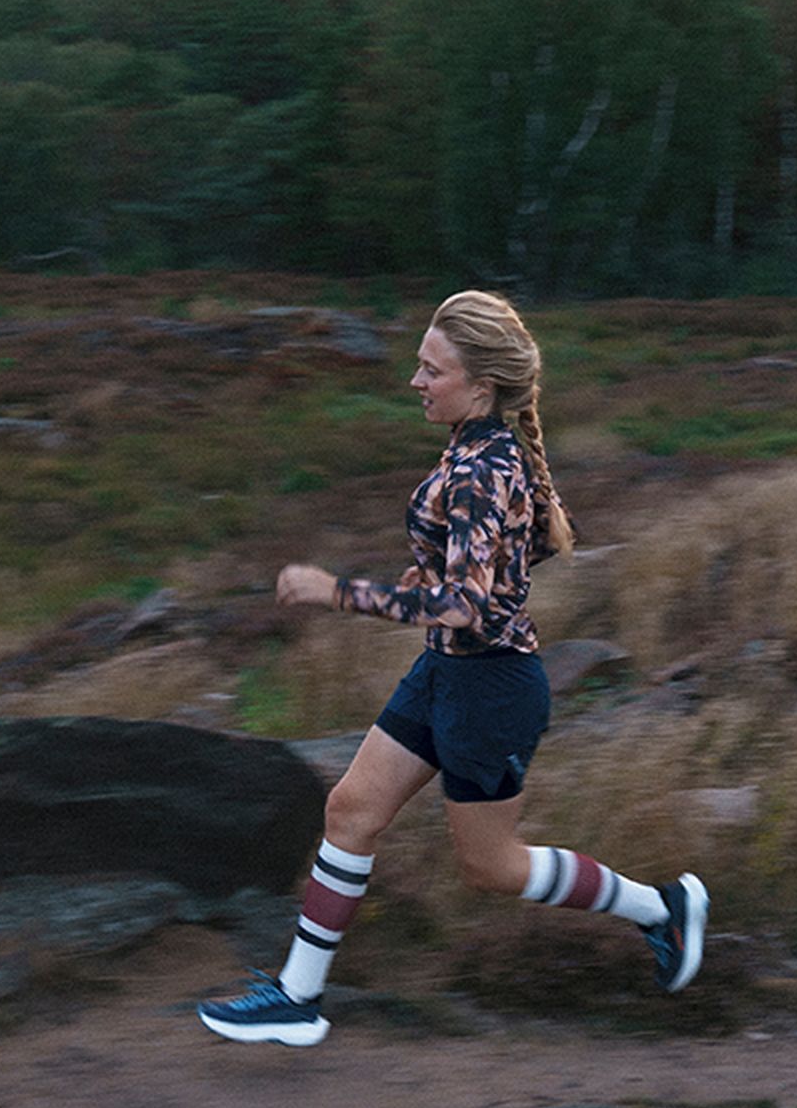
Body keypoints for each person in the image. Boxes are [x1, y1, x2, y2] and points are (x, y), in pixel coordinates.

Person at [197, 289, 706, 1047]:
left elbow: (465, 607)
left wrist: (337, 592)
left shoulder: (481, 465)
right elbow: (513, 556)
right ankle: (297, 997)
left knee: (493, 868)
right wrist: (433, 576)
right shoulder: (479, 450)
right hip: (444, 675)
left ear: (481, 384)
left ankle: (662, 909)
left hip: (490, 691)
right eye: (419, 366)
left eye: (431, 370)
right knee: (350, 812)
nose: (415, 382)